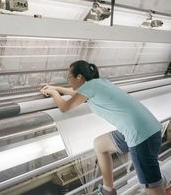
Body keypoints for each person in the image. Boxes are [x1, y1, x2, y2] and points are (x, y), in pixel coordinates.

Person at [40, 60, 166, 195]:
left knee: (152, 188)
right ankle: (108, 191)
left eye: (69, 77)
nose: (68, 80)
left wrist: (53, 94)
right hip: (149, 129)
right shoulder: (100, 83)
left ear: (79, 77)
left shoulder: (88, 88)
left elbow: (65, 108)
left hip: (141, 137)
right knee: (100, 144)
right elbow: (76, 94)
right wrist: (57, 89)